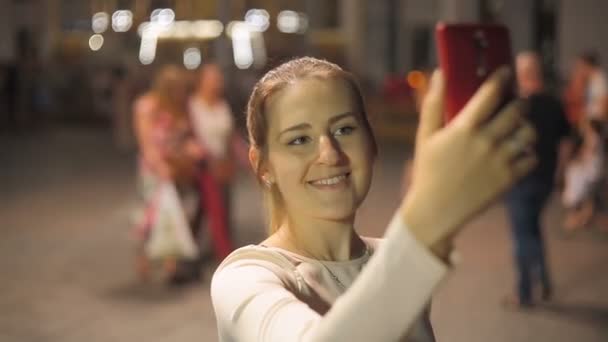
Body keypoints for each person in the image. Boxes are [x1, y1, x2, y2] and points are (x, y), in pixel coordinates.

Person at [211, 57, 536, 341]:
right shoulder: (243, 278)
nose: (329, 153)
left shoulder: (389, 257)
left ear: (371, 141)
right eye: (299, 139)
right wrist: (428, 220)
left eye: (344, 130)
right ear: (262, 165)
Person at [503, 52, 570, 308]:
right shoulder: (554, 103)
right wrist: (560, 173)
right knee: (533, 230)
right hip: (545, 180)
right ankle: (544, 282)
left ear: (523, 74)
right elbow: (565, 141)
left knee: (522, 237)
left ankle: (524, 293)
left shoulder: (518, 106)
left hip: (521, 180)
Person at [132, 65, 204, 283]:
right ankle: (151, 261)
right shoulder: (146, 106)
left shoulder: (179, 107)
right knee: (154, 216)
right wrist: (161, 168)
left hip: (178, 169)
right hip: (155, 172)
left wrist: (191, 149)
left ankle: (171, 264)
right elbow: (147, 145)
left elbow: (183, 136)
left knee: (175, 214)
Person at [189, 63, 247, 261]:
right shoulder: (192, 105)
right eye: (212, 78)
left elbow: (232, 135)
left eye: (218, 78)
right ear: (201, 81)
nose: (217, 83)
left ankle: (189, 244)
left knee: (211, 207)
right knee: (215, 208)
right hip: (202, 166)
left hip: (223, 163)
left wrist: (244, 158)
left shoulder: (222, 104)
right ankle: (225, 253)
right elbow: (189, 135)